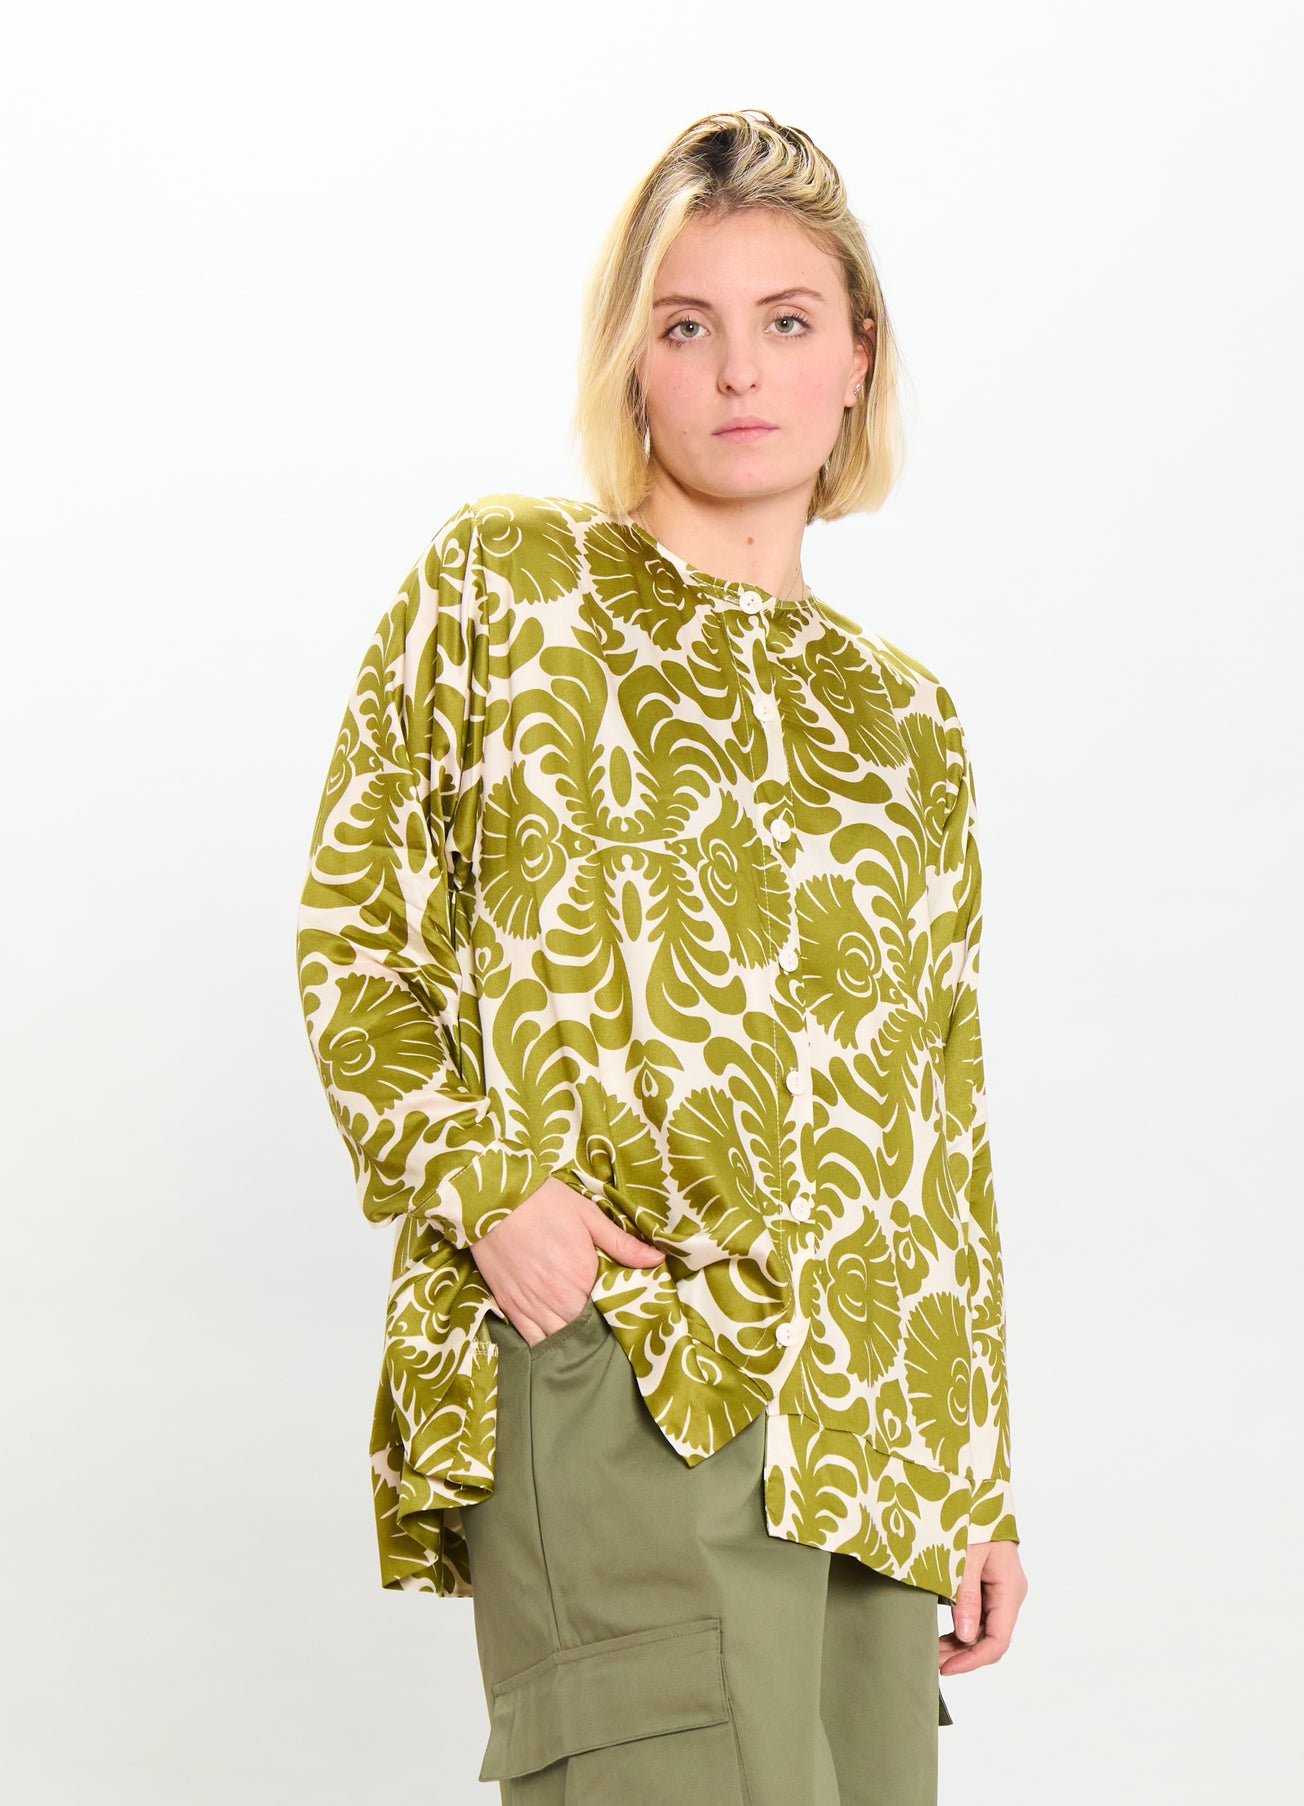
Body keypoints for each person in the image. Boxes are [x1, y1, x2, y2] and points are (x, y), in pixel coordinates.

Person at [295, 107, 1028, 1804]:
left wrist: (975, 1465)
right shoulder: (509, 588)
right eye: (685, 325)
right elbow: (359, 934)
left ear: (857, 356)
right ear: (632, 357)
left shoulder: (905, 719)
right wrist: (492, 1194)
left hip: (871, 1425)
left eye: (786, 320)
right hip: (629, 1357)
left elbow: (939, 1104)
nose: (738, 370)